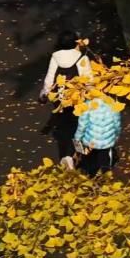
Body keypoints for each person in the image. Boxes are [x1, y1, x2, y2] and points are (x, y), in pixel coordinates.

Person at [40, 30, 93, 165]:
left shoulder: (55, 56)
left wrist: (45, 94)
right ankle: (78, 153)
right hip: (76, 96)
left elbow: (49, 78)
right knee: (77, 124)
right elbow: (88, 80)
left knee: (64, 125)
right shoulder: (82, 58)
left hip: (60, 96)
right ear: (75, 42)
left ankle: (66, 156)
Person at [74, 98, 122, 176]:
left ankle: (89, 176)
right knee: (104, 158)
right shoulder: (112, 103)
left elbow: (82, 125)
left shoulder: (88, 104)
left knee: (89, 159)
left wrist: (77, 138)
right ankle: (104, 177)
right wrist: (115, 136)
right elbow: (117, 124)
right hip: (106, 140)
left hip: (90, 140)